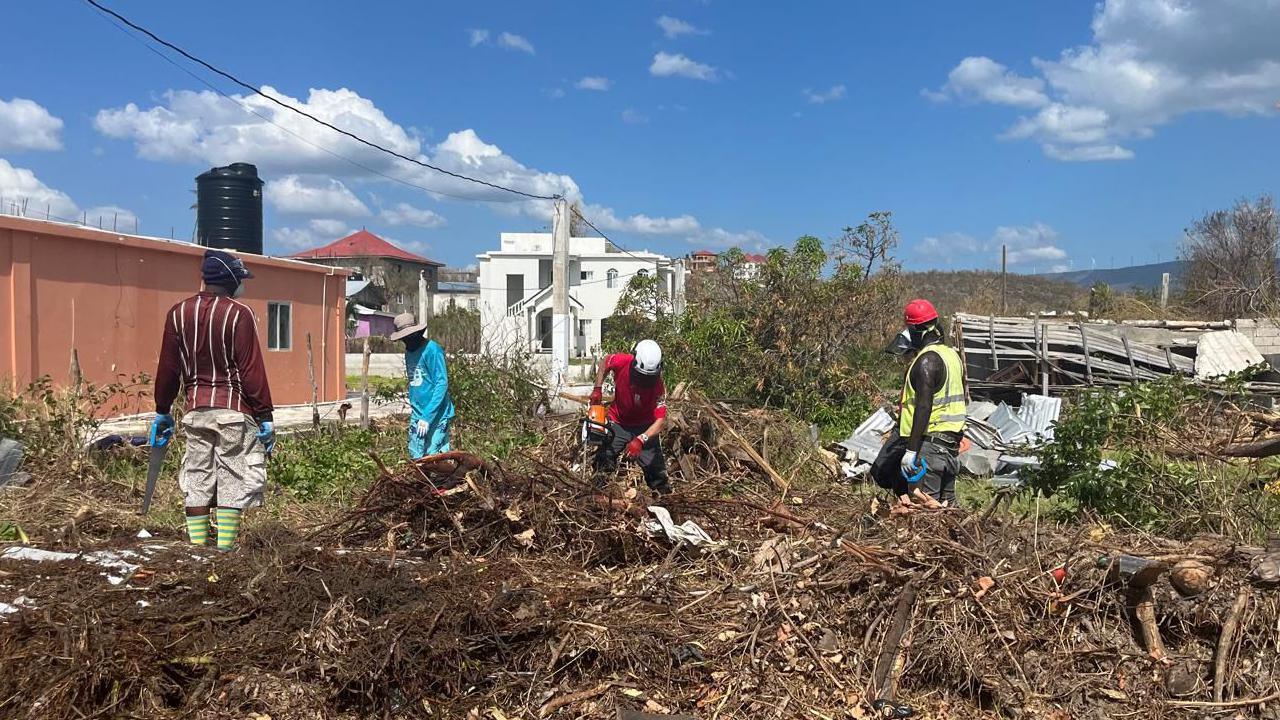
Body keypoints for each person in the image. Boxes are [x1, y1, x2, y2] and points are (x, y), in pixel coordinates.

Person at [150, 249, 274, 551]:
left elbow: (168, 368)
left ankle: (198, 548)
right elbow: (250, 369)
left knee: (197, 476)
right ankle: (224, 549)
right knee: (231, 475)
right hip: (233, 410)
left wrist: (162, 409)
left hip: (196, 410)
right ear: (230, 279)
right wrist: (265, 414)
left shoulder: (178, 313)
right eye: (240, 279)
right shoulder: (239, 314)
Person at [870, 299, 966, 507]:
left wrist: (911, 452)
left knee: (927, 515)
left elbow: (924, 407)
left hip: (931, 445)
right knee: (947, 509)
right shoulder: (952, 356)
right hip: (950, 445)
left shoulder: (926, 360)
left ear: (916, 330)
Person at [589, 339, 671, 494]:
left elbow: (660, 421)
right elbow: (605, 362)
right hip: (618, 422)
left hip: (644, 428)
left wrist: (641, 439)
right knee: (603, 463)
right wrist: (597, 388)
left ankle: (664, 502)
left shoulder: (658, 387)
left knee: (658, 474)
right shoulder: (622, 361)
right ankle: (596, 497)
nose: (644, 381)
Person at [389, 313, 455, 459]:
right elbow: (415, 384)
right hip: (417, 413)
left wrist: (427, 416)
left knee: (434, 458)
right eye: (403, 338)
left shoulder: (432, 350)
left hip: (437, 413)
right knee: (416, 456)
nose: (406, 341)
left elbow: (441, 383)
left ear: (417, 333)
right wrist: (419, 414)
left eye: (409, 337)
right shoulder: (409, 353)